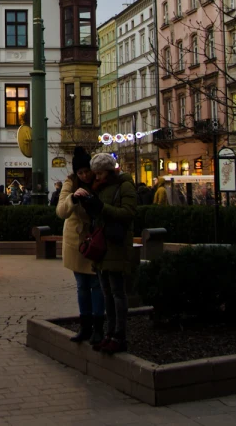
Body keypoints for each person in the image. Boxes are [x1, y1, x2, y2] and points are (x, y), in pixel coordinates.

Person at [74, 153, 137, 355]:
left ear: (109, 171)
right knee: (107, 293)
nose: (96, 177)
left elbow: (128, 213)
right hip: (102, 247)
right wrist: (88, 204)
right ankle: (109, 334)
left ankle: (120, 336)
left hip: (117, 244)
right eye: (96, 173)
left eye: (99, 173)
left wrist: (101, 207)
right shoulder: (98, 187)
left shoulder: (124, 186)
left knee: (118, 293)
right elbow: (98, 215)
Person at [56, 146, 105, 347]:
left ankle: (98, 328)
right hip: (76, 243)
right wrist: (73, 198)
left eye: (87, 171)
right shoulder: (70, 184)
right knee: (82, 286)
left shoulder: (100, 183)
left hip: (96, 240)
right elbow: (60, 211)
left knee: (96, 285)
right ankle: (85, 327)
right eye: (81, 172)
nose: (85, 175)